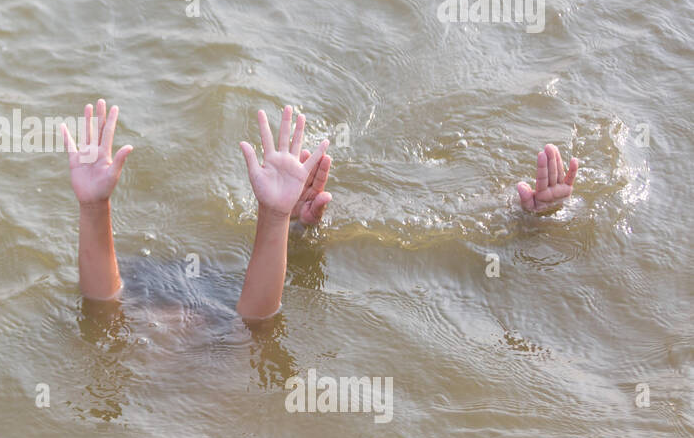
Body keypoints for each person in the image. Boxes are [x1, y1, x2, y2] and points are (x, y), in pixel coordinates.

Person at [59, 99, 581, 321]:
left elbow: (253, 321)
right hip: (227, 275)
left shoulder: (214, 333)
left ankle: (528, 222)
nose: (161, 329)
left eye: (164, 323)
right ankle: (296, 231)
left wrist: (276, 219)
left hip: (234, 283)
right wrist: (94, 205)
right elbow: (104, 303)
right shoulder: (139, 305)